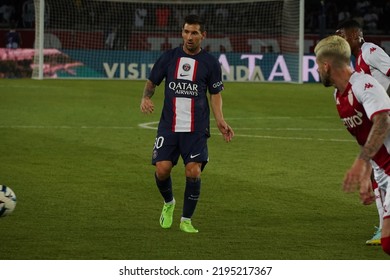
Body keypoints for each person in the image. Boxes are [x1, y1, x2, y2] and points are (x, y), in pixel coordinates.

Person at [140, 14, 234, 233]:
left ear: (203, 35)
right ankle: (169, 203)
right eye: (186, 32)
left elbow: (215, 93)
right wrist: (145, 97)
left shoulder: (210, 63)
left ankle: (186, 220)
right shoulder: (169, 57)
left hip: (196, 128)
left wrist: (220, 119)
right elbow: (152, 81)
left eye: (194, 33)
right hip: (169, 126)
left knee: (193, 172)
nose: (189, 37)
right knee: (162, 170)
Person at [314, 35, 390, 256]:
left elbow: (383, 120)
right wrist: (368, 172)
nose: (317, 70)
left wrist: (360, 163)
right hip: (382, 169)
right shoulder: (338, 96)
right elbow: (368, 137)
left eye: (318, 65)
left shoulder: (364, 85)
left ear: (327, 65)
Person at [336, 19, 390, 245]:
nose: (340, 39)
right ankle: (384, 226)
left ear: (356, 36)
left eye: (343, 35)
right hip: (376, 118)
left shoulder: (370, 51)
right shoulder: (356, 64)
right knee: (378, 172)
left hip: (384, 117)